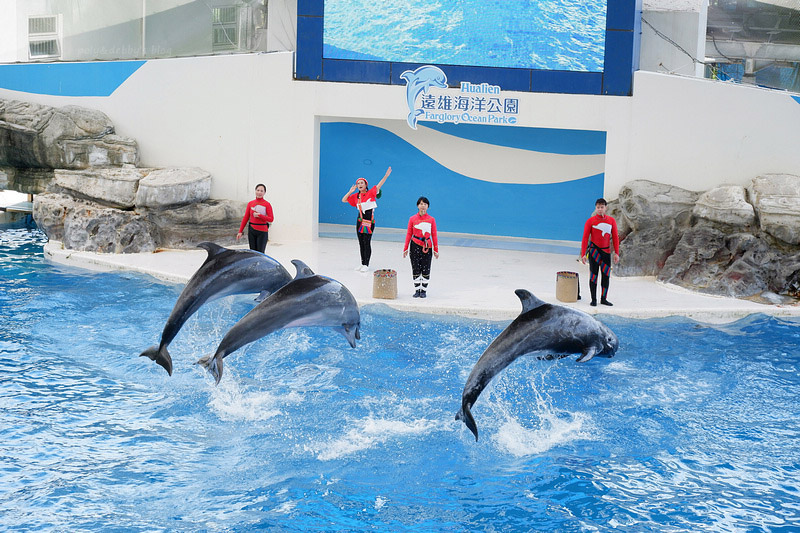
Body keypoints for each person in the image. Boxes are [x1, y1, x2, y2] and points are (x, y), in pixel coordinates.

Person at [341, 166, 392, 272]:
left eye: (362, 183)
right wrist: (350, 191)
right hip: (359, 221)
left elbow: (379, 185)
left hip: (369, 222)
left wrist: (386, 176)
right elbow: (344, 200)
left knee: (366, 242)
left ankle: (366, 264)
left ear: (366, 185)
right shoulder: (356, 196)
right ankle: (362, 263)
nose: (360, 185)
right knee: (361, 242)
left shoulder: (371, 193)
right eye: (358, 183)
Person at [580, 198, 620, 306]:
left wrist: (617, 253)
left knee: (606, 276)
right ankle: (593, 299)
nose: (600, 209)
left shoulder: (611, 221)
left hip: (606, 252)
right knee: (593, 276)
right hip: (594, 252)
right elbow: (585, 238)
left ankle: (603, 298)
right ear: (596, 208)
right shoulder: (590, 221)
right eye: (598, 207)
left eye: (602, 207)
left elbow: (615, 237)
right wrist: (583, 254)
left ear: (606, 208)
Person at [403, 196, 439, 298]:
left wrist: (436, 250)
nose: (423, 206)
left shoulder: (431, 219)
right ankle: (417, 289)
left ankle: (423, 291)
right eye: (421, 204)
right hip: (414, 245)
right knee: (416, 268)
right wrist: (405, 248)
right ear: (418, 205)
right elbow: (409, 234)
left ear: (428, 206)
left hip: (427, 246)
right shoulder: (412, 219)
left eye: (425, 204)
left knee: (426, 269)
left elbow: (434, 235)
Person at [237, 183, 273, 253]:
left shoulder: (267, 204)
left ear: (264, 192)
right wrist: (240, 231)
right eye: (258, 190)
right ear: (255, 191)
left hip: (262, 231)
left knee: (260, 253)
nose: (259, 192)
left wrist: (260, 215)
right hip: (252, 230)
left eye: (261, 191)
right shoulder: (250, 203)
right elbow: (246, 218)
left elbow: (271, 219)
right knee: (252, 252)